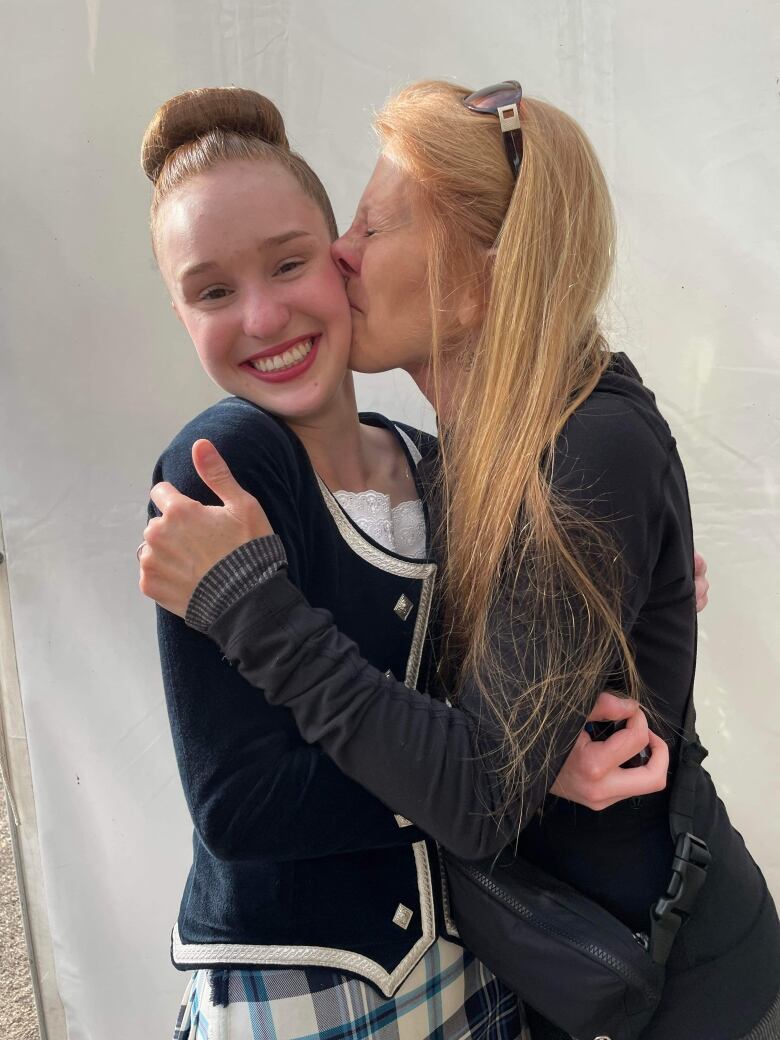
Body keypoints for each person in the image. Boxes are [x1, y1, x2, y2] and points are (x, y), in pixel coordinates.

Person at [140, 80, 780, 1039]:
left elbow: (477, 791)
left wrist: (252, 607)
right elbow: (464, 749)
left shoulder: (580, 444)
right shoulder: (460, 457)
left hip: (676, 989)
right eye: (215, 289)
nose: (342, 254)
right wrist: (535, 754)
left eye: (369, 225)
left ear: (484, 272)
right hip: (562, 976)